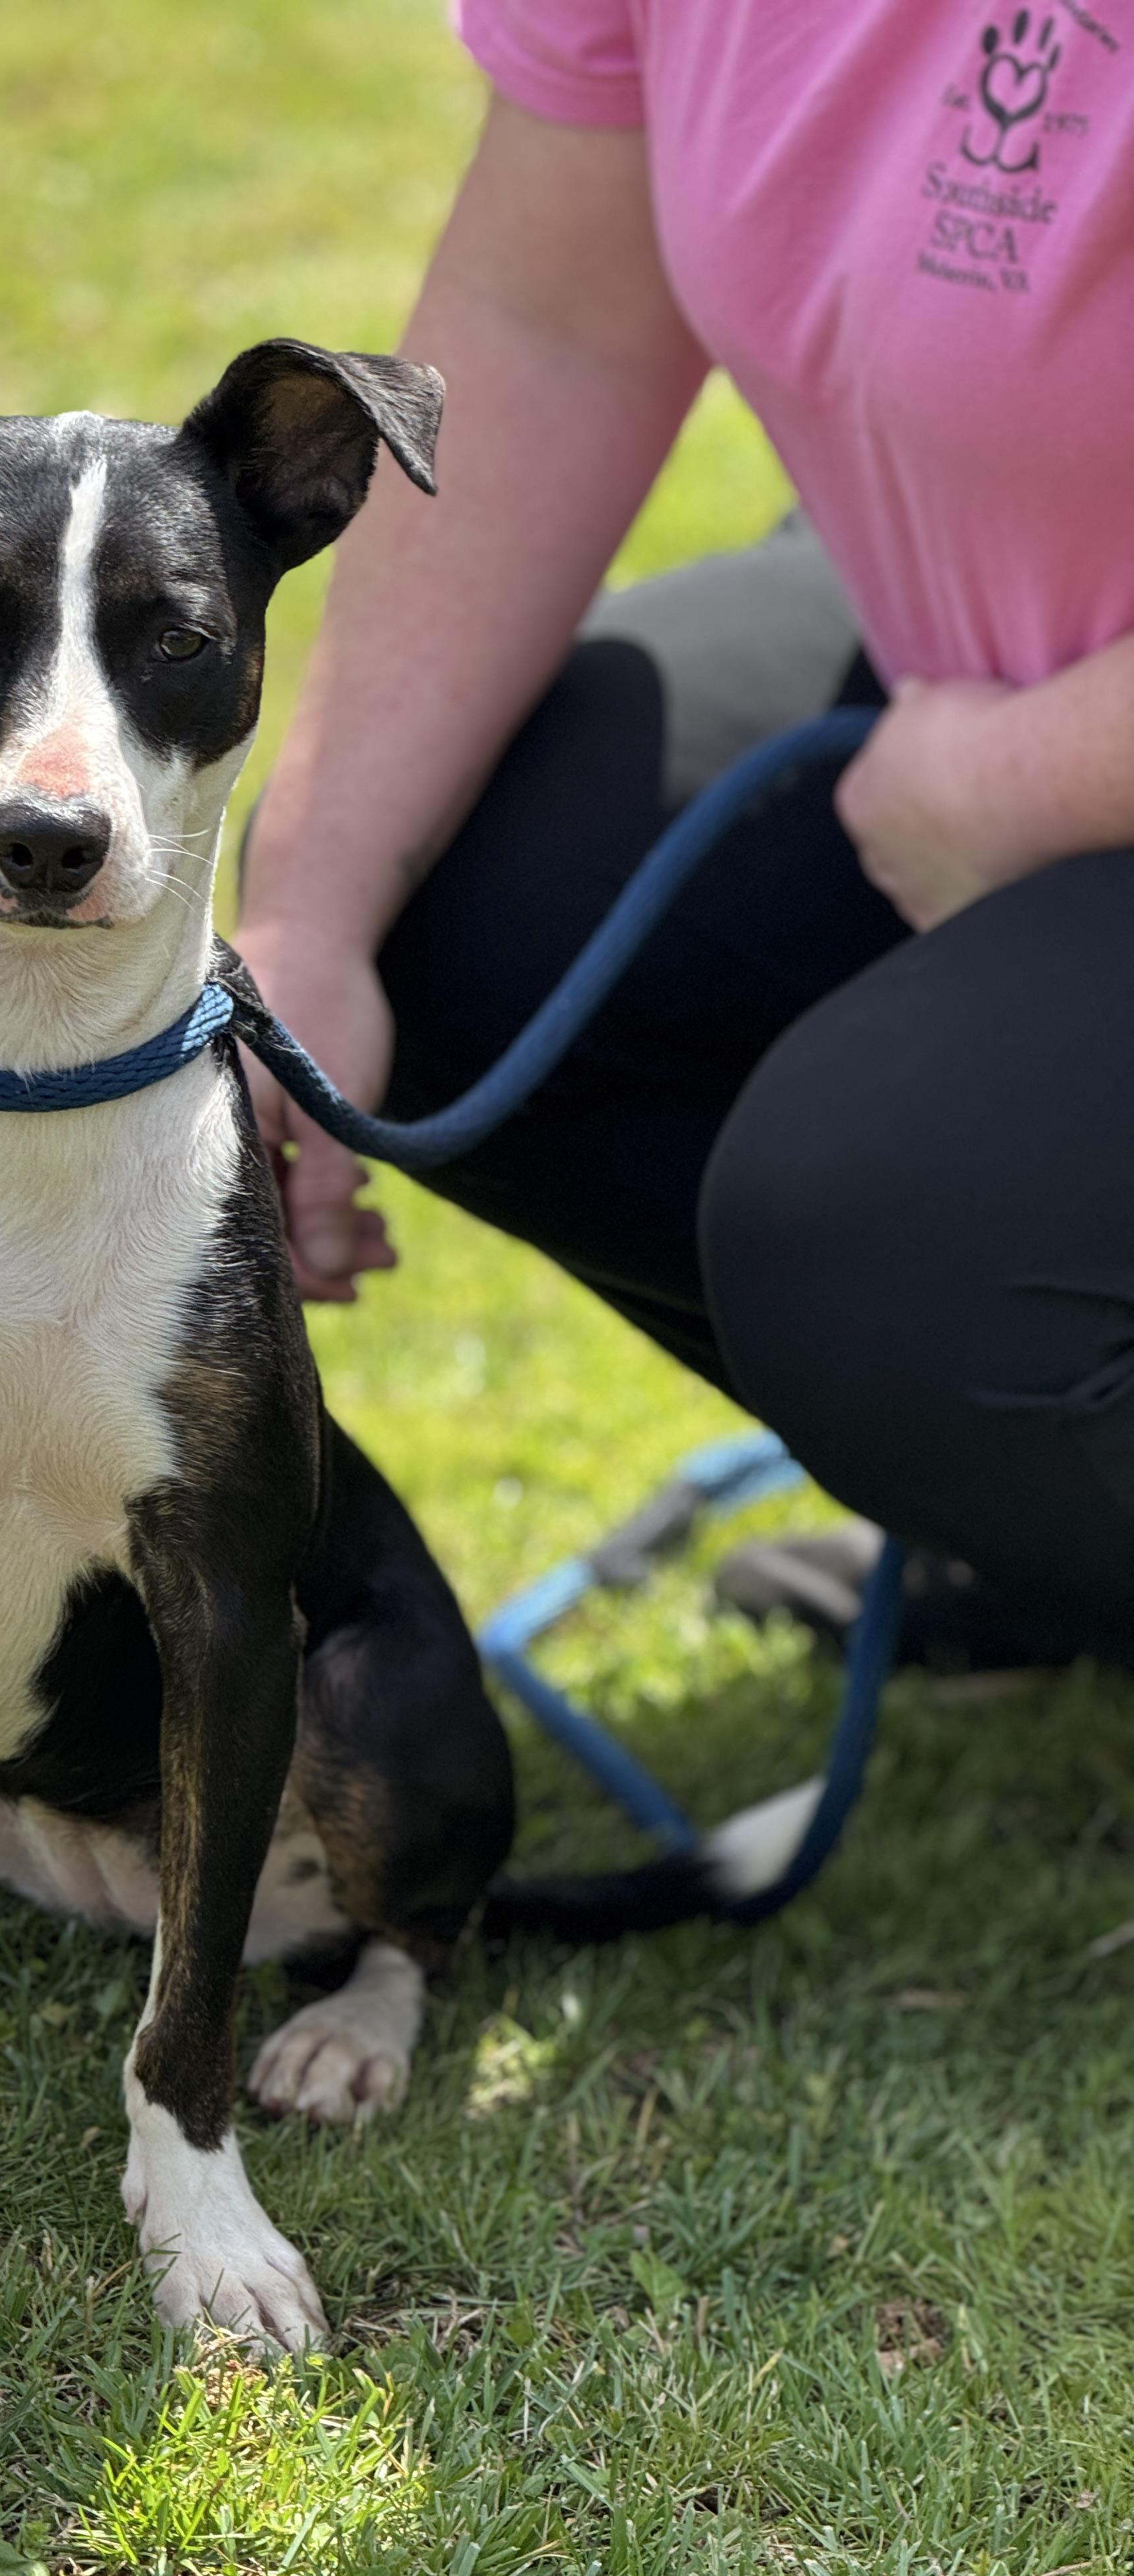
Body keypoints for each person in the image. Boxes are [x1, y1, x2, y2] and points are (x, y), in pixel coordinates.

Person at [234, 0, 1134, 1669]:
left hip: (1040, 748)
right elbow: (550, 314)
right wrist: (311, 906)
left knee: (884, 1237)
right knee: (468, 922)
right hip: (977, 660)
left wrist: (1016, 785)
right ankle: (1042, 1516)